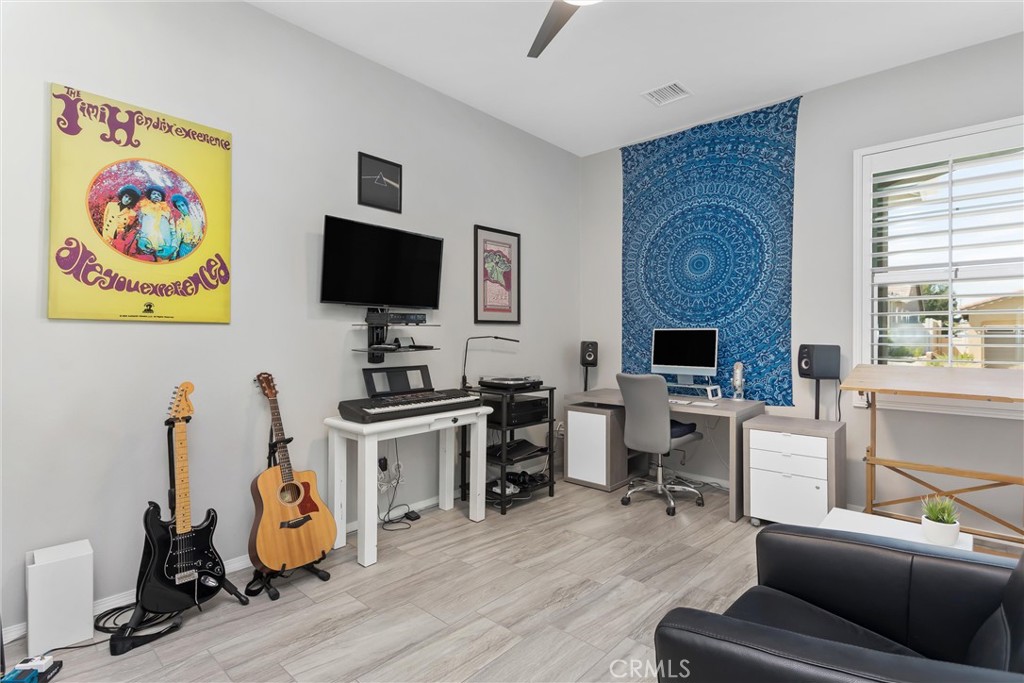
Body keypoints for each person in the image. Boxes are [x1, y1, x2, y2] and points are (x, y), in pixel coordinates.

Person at [136, 185, 178, 261]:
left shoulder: (167, 212)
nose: (156, 196)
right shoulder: (143, 210)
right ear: (150, 195)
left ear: (161, 198)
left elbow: (173, 231)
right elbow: (137, 227)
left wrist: (173, 247)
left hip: (164, 248)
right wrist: (139, 240)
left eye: (159, 195)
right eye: (154, 194)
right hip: (146, 247)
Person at [170, 194, 202, 259]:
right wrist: (174, 253)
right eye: (179, 206)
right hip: (185, 250)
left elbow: (201, 233)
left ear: (186, 205)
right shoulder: (179, 222)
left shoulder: (197, 218)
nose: (182, 208)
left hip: (197, 248)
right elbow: (178, 238)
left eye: (182, 205)